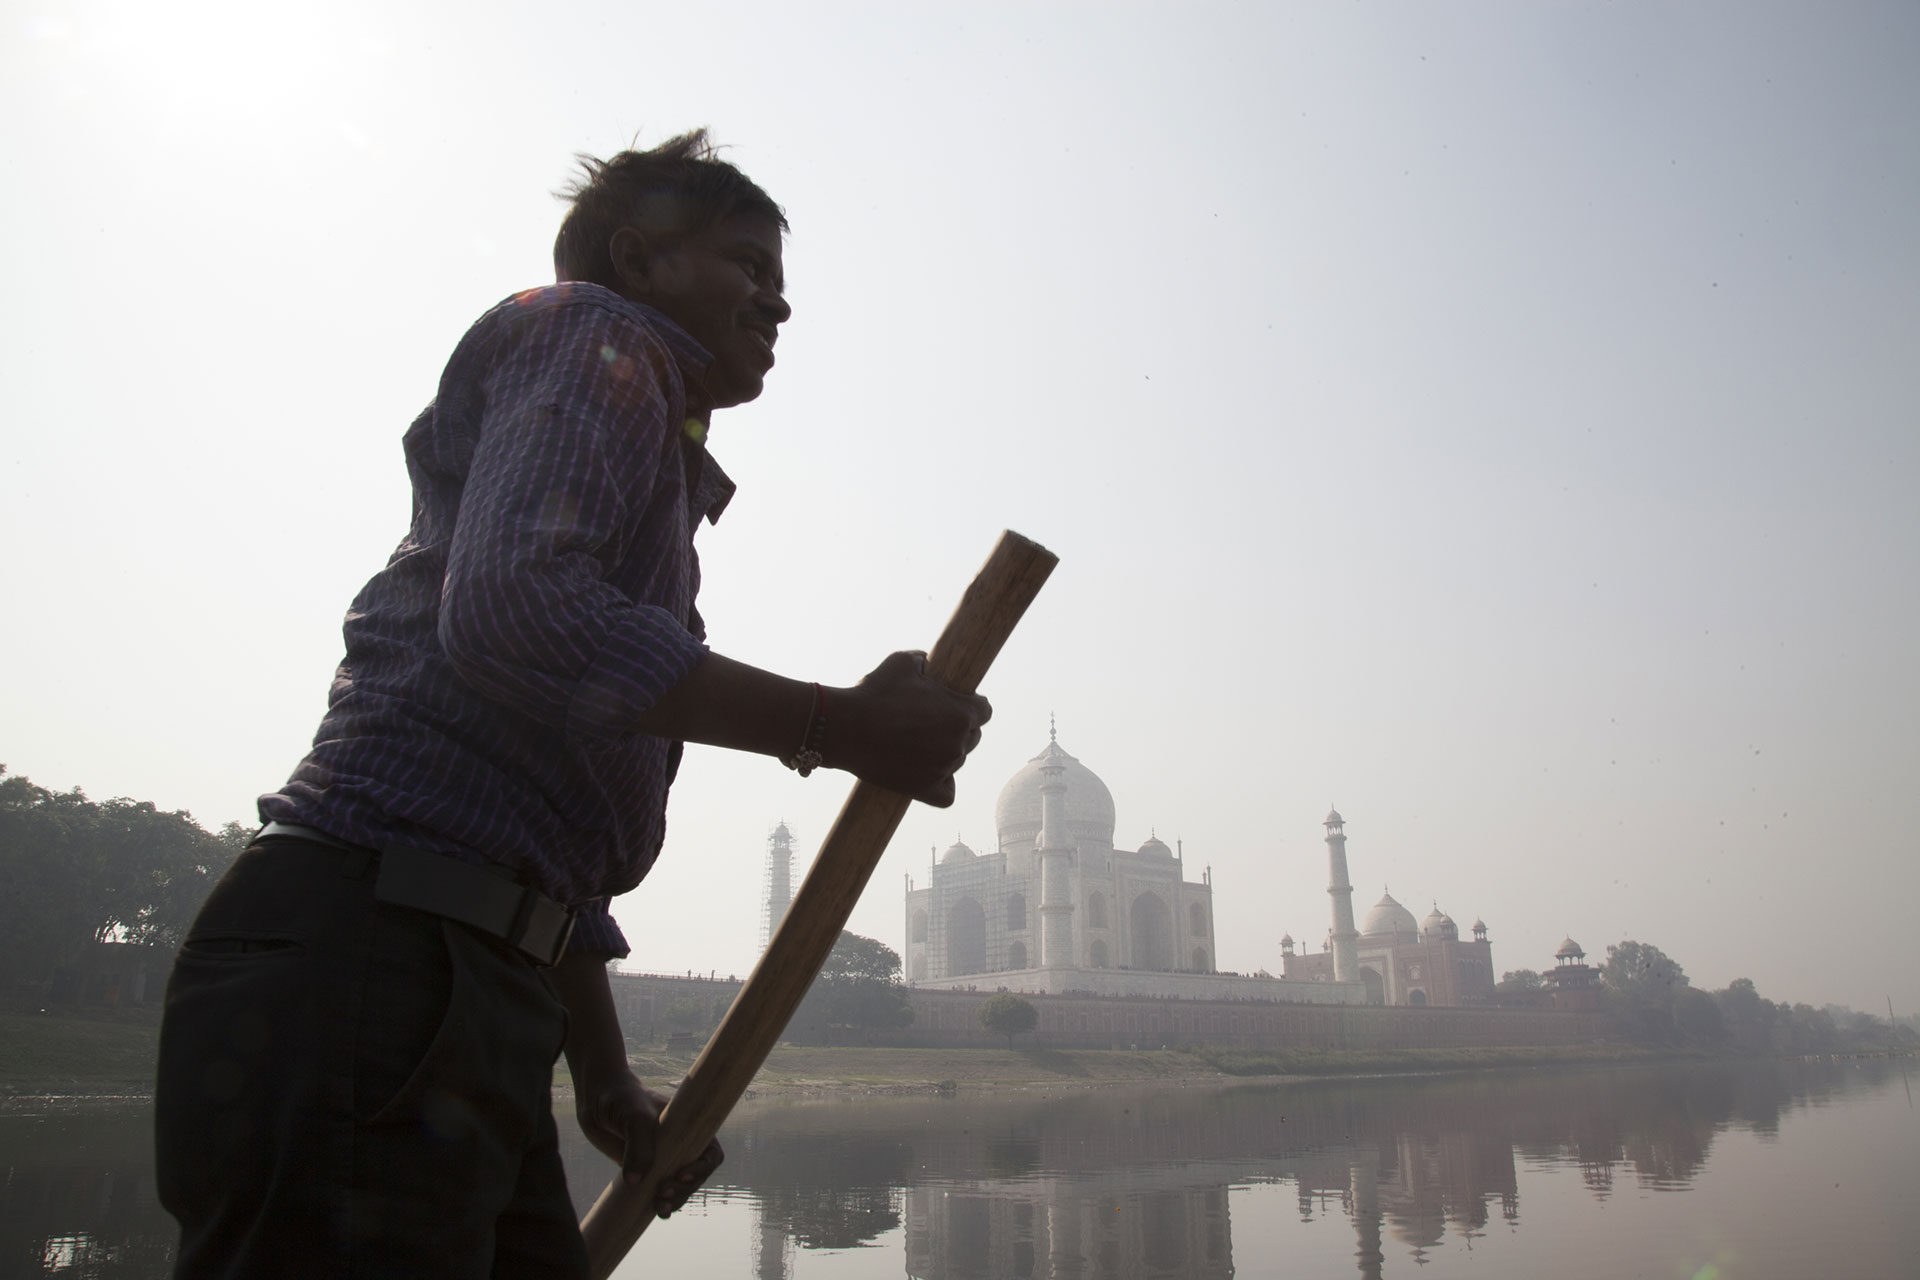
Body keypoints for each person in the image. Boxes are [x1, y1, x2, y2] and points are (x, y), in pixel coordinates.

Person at [154, 130, 991, 1278]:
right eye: (749, 265)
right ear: (640, 262)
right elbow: (515, 609)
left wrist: (600, 1073)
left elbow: (542, 837)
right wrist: (836, 724)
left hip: (461, 978)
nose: (777, 305)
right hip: (375, 957)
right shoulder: (594, 335)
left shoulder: (649, 467)